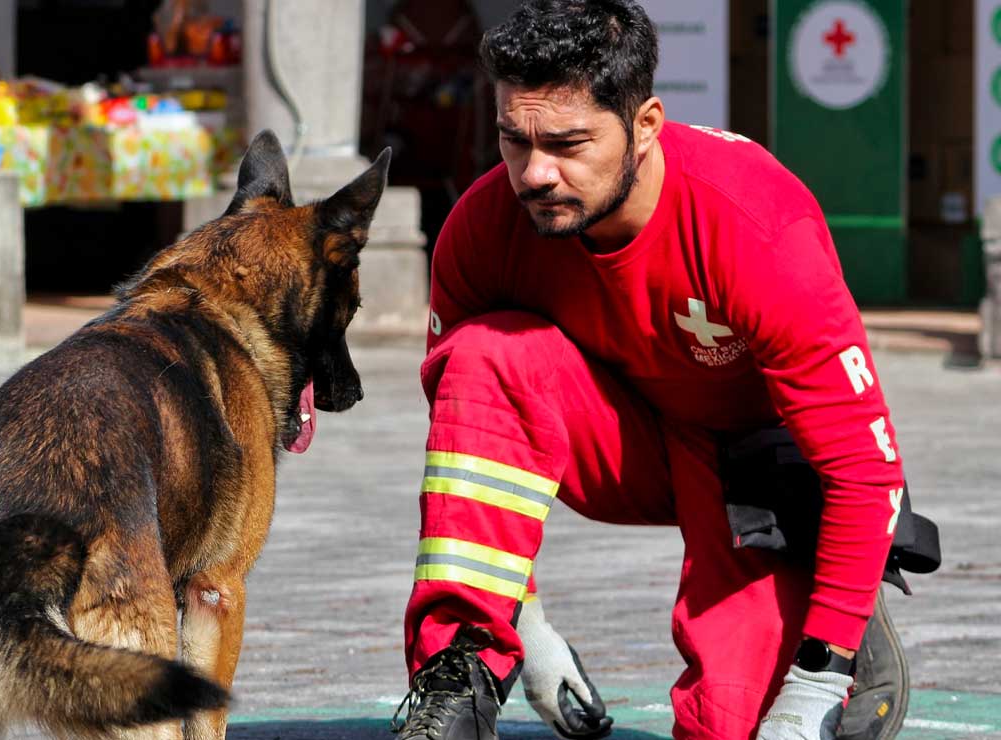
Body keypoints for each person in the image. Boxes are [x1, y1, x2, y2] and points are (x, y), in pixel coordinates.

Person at [390, 2, 939, 739]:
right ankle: (461, 678)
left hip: (752, 468)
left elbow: (862, 473)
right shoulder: (485, 229)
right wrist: (523, 620)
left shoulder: (758, 224)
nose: (535, 173)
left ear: (645, 125)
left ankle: (832, 620)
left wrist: (815, 682)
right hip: (625, 440)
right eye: (513, 140)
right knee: (485, 354)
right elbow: (472, 448)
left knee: (732, 727)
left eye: (569, 143)